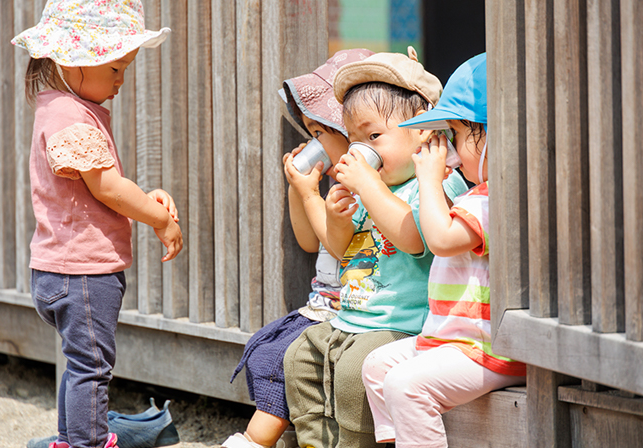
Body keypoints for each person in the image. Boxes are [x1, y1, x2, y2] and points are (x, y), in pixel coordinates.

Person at [11, 1, 183, 448]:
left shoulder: (60, 109)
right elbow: (107, 187)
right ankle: (88, 443)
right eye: (115, 68)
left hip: (57, 270)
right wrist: (158, 217)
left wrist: (146, 197)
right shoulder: (71, 117)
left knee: (79, 362)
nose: (121, 79)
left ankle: (71, 440)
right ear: (73, 61)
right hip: (83, 273)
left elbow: (98, 187)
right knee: (92, 368)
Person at [283, 47, 469, 448]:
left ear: (423, 132)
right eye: (352, 139)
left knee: (354, 373)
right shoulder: (372, 187)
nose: (358, 149)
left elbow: (415, 238)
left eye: (373, 137)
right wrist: (336, 216)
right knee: (299, 358)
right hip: (352, 316)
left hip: (401, 325)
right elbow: (339, 247)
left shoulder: (434, 182)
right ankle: (317, 441)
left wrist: (368, 185)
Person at [360, 53, 526, 448]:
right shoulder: (474, 194)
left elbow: (441, 240)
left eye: (454, 134)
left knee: (404, 384)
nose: (447, 146)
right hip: (453, 342)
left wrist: (429, 179)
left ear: (488, 133)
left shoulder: (493, 199)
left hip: (486, 349)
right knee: (376, 365)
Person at [222, 48, 375, 448]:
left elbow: (344, 250)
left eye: (320, 132)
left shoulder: (370, 191)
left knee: (280, 360)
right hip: (323, 304)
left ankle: (255, 442)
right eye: (310, 132)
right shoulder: (337, 187)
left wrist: (311, 197)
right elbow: (309, 241)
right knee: (272, 350)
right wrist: (300, 191)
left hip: (349, 312)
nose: (314, 143)